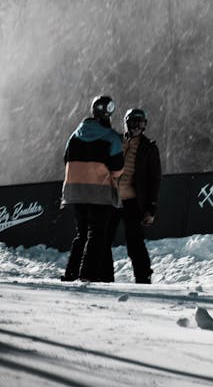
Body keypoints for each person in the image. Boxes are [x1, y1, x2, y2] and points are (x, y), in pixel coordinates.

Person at [61, 94, 124, 282]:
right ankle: (88, 275)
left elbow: (66, 159)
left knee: (81, 234)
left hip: (75, 192)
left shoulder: (74, 136)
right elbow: (117, 168)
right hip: (99, 193)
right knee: (97, 235)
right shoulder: (111, 138)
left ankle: (71, 273)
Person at [106, 108, 162, 284]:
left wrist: (151, 208)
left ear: (144, 125)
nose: (135, 127)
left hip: (132, 202)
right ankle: (104, 277)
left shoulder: (149, 148)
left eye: (139, 123)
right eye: (132, 123)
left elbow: (155, 179)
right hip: (111, 200)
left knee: (135, 242)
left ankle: (143, 277)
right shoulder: (115, 141)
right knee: (103, 241)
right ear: (126, 124)